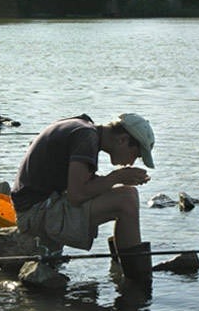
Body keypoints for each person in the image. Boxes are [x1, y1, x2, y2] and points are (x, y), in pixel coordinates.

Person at [11, 113, 155, 284]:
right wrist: (116, 177)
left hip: (37, 205)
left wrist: (116, 180)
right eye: (136, 154)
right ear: (122, 140)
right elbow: (77, 195)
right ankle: (137, 281)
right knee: (127, 200)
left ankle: (123, 267)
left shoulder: (82, 127)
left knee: (125, 194)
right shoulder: (86, 137)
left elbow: (80, 184)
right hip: (34, 214)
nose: (132, 162)